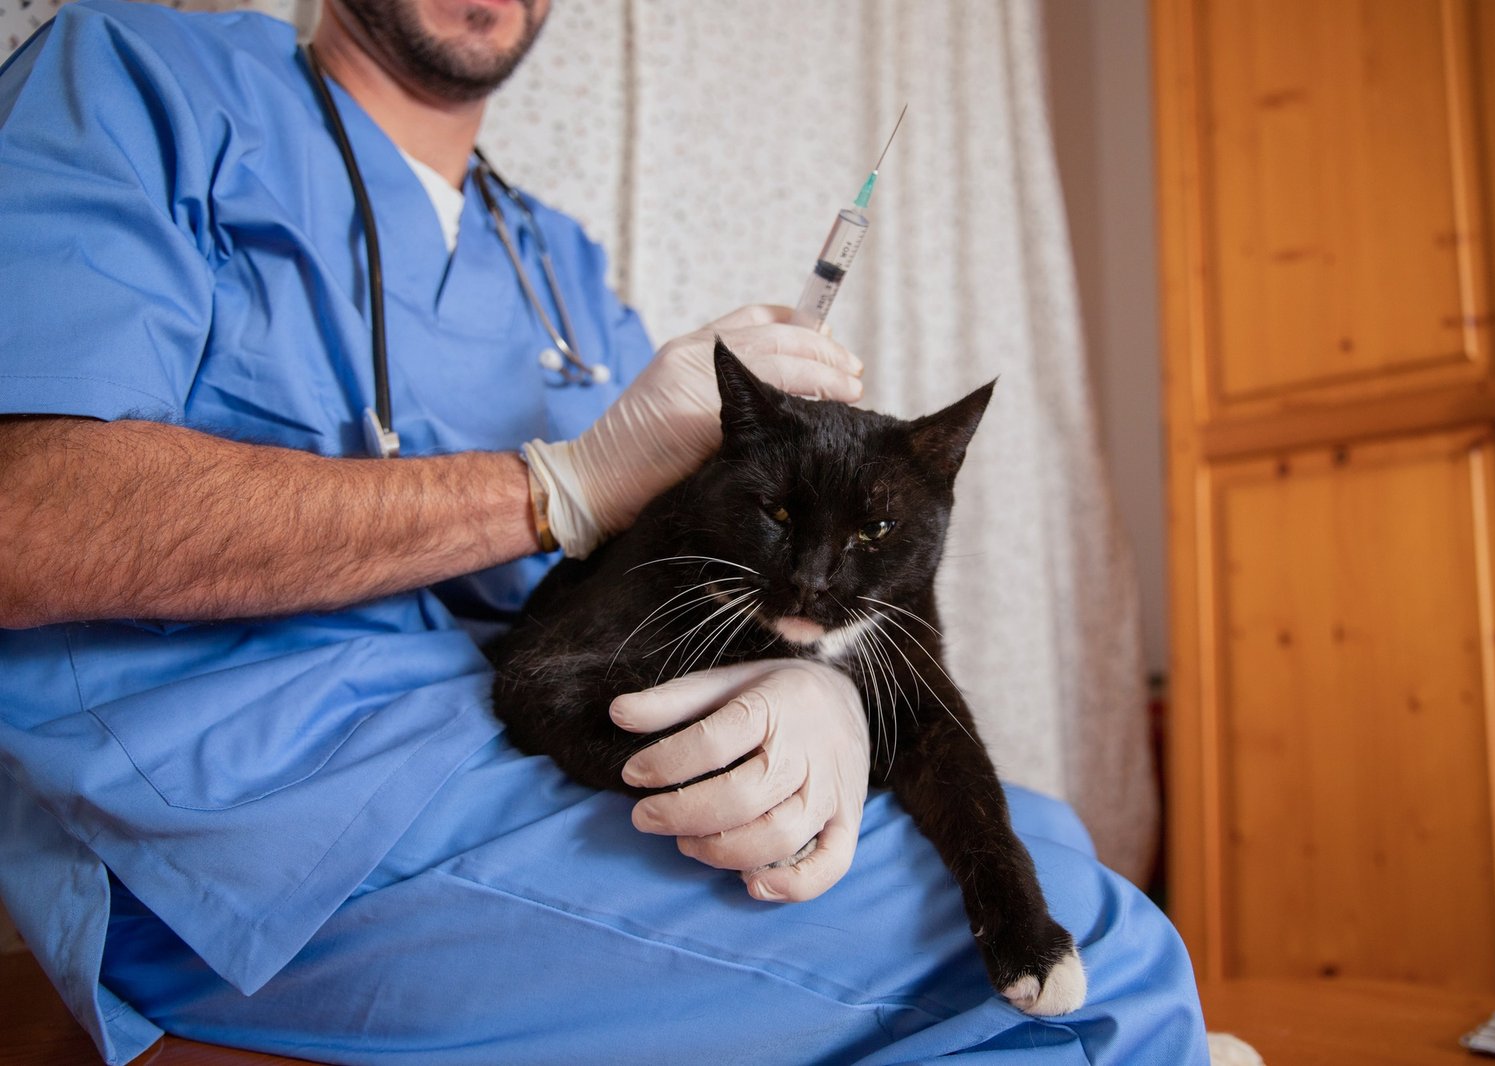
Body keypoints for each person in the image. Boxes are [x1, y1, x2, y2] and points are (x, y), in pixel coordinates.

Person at [0, 0, 1208, 1061]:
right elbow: (22, 521)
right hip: (241, 831)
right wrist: (555, 484)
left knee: (1043, 840)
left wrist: (819, 690)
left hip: (517, 743)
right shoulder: (136, 76)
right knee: (1115, 961)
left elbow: (679, 566)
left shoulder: (557, 262)